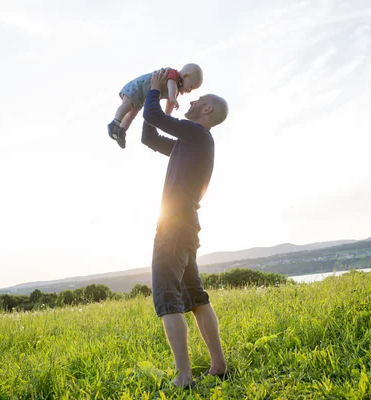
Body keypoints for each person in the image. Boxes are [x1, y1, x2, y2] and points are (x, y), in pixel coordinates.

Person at [141, 68, 229, 388]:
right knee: (195, 298)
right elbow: (149, 135)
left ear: (207, 110)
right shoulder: (190, 143)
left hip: (174, 228)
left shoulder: (197, 135)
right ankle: (218, 366)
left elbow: (152, 119)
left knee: (168, 300)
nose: (191, 101)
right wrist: (164, 105)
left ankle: (184, 377)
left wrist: (153, 90)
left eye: (199, 99)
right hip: (185, 228)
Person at [107, 63, 203, 149]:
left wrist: (167, 115)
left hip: (143, 97)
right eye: (191, 87)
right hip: (137, 87)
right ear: (186, 76)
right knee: (127, 105)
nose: (190, 91)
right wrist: (172, 97)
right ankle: (114, 123)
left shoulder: (174, 91)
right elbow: (171, 84)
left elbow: (170, 103)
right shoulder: (173, 74)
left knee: (131, 115)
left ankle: (122, 131)